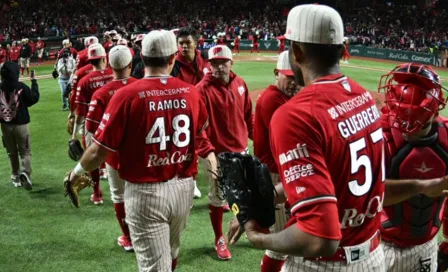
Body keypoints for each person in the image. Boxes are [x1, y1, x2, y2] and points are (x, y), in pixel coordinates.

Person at [226, 4, 448, 272]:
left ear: (296, 51)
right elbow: (348, 182)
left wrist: (259, 238)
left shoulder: (294, 115)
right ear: (342, 49)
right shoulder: (363, 98)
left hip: (325, 264)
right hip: (372, 257)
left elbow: (320, 238)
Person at [66, 29, 209, 271]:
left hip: (145, 192)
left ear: (141, 58)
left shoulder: (126, 95)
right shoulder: (191, 92)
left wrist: (76, 170)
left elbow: (99, 150)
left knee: (155, 266)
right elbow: (202, 128)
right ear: (173, 58)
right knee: (172, 253)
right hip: (183, 187)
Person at [378, 63, 448, 272]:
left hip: (424, 246)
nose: (407, 128)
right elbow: (368, 196)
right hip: (379, 244)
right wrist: (422, 186)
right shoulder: (379, 135)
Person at [196, 45, 254, 260]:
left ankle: (243, 224)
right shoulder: (201, 90)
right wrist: (208, 154)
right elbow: (197, 130)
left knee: (244, 193)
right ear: (208, 65)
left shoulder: (240, 83)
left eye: (223, 62)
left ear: (231, 63)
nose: (218, 67)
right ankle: (219, 238)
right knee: (217, 198)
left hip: (242, 150)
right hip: (218, 155)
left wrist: (260, 140)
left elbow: (248, 116)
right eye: (214, 63)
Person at [84, 45, 137, 252]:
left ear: (110, 64)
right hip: (141, 153)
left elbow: (90, 126)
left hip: (114, 154)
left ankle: (129, 238)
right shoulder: (141, 85)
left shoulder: (101, 93)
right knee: (141, 194)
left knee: (119, 196)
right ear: (130, 64)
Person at [253, 51, 299, 272]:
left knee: (285, 240)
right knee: (279, 244)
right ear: (276, 73)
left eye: (296, 77)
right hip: (273, 175)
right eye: (288, 77)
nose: (293, 82)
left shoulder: (282, 96)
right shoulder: (273, 99)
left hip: (278, 173)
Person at [171, 26, 210, 199]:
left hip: (204, 108)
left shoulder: (203, 60)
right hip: (182, 110)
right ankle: (191, 183)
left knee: (209, 145)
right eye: (181, 43)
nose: (184, 47)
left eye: (188, 43)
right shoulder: (174, 64)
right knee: (188, 148)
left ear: (196, 43)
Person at [73, 44, 113, 205]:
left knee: (92, 157)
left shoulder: (84, 80)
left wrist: (74, 133)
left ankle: (97, 193)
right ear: (104, 58)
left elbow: (80, 112)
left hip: (94, 123)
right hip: (115, 121)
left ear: (90, 60)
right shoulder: (114, 75)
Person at [0, 61, 39, 189]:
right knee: (25, 152)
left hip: (5, 126)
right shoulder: (21, 86)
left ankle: (15, 176)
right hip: (22, 125)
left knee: (11, 153)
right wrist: (34, 82)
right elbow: (33, 98)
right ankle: (25, 173)